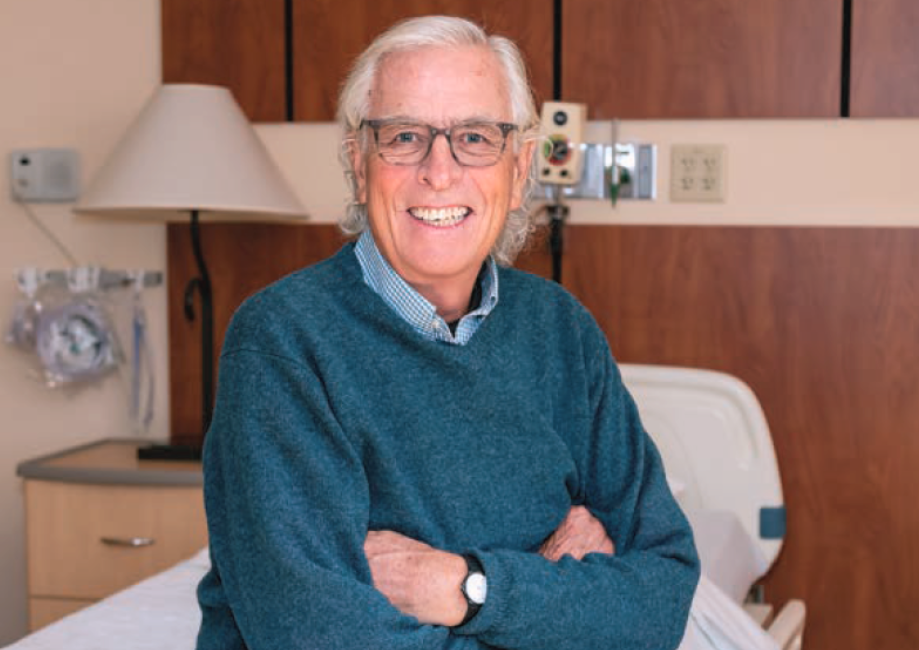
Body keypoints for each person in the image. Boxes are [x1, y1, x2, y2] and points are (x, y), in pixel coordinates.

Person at [197, 15, 698, 649]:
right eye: (404, 136)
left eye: (476, 137)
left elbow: (661, 597)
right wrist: (552, 597)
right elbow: (322, 637)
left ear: (518, 172)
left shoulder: (562, 330)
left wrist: (467, 586)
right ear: (359, 165)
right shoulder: (282, 343)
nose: (440, 170)